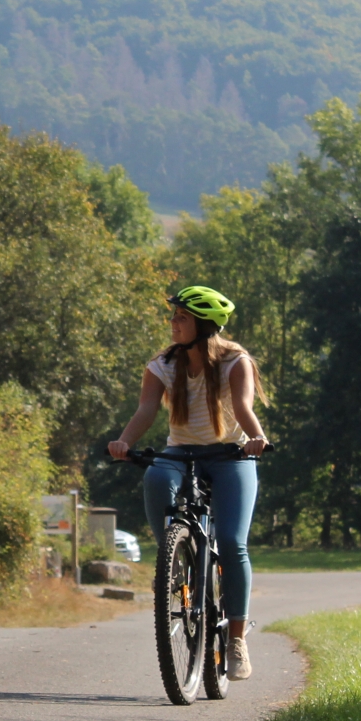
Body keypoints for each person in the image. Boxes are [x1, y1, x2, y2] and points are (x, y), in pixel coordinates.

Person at [106, 285, 269, 680]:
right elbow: (146, 410)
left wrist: (257, 438)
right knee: (155, 477)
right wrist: (125, 442)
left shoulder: (235, 362)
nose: (173, 323)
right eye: (174, 316)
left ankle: (236, 640)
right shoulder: (163, 364)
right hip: (180, 452)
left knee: (231, 542)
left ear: (204, 325)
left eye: (182, 317)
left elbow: (243, 408)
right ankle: (173, 562)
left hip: (231, 455)